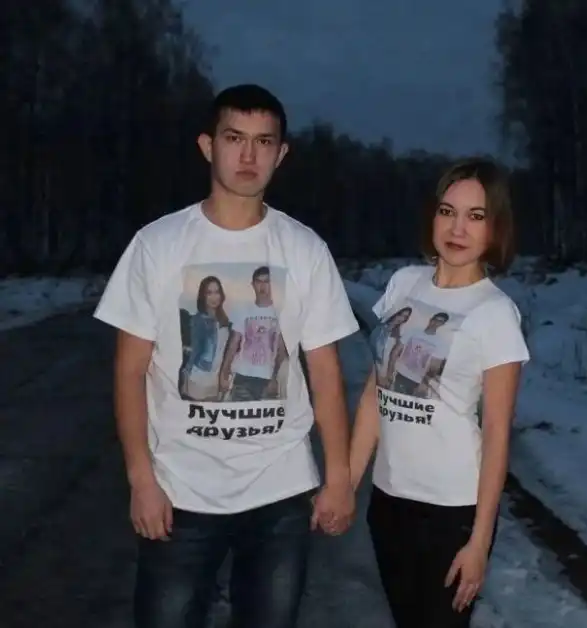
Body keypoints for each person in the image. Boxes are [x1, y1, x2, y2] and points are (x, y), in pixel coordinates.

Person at [94, 83, 359, 628]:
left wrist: (339, 477)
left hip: (280, 490)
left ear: (281, 154)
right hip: (180, 491)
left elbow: (325, 372)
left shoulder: (305, 250)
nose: (248, 155)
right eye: (234, 138)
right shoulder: (158, 244)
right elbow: (129, 371)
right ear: (207, 145)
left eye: (264, 141)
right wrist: (141, 480)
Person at [349, 157, 530, 627]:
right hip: (388, 502)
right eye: (447, 211)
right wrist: (346, 483)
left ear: (495, 228)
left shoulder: (495, 313)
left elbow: (497, 434)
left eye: (476, 216)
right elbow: (374, 394)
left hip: (451, 513)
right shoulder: (403, 284)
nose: (457, 228)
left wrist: (479, 541)